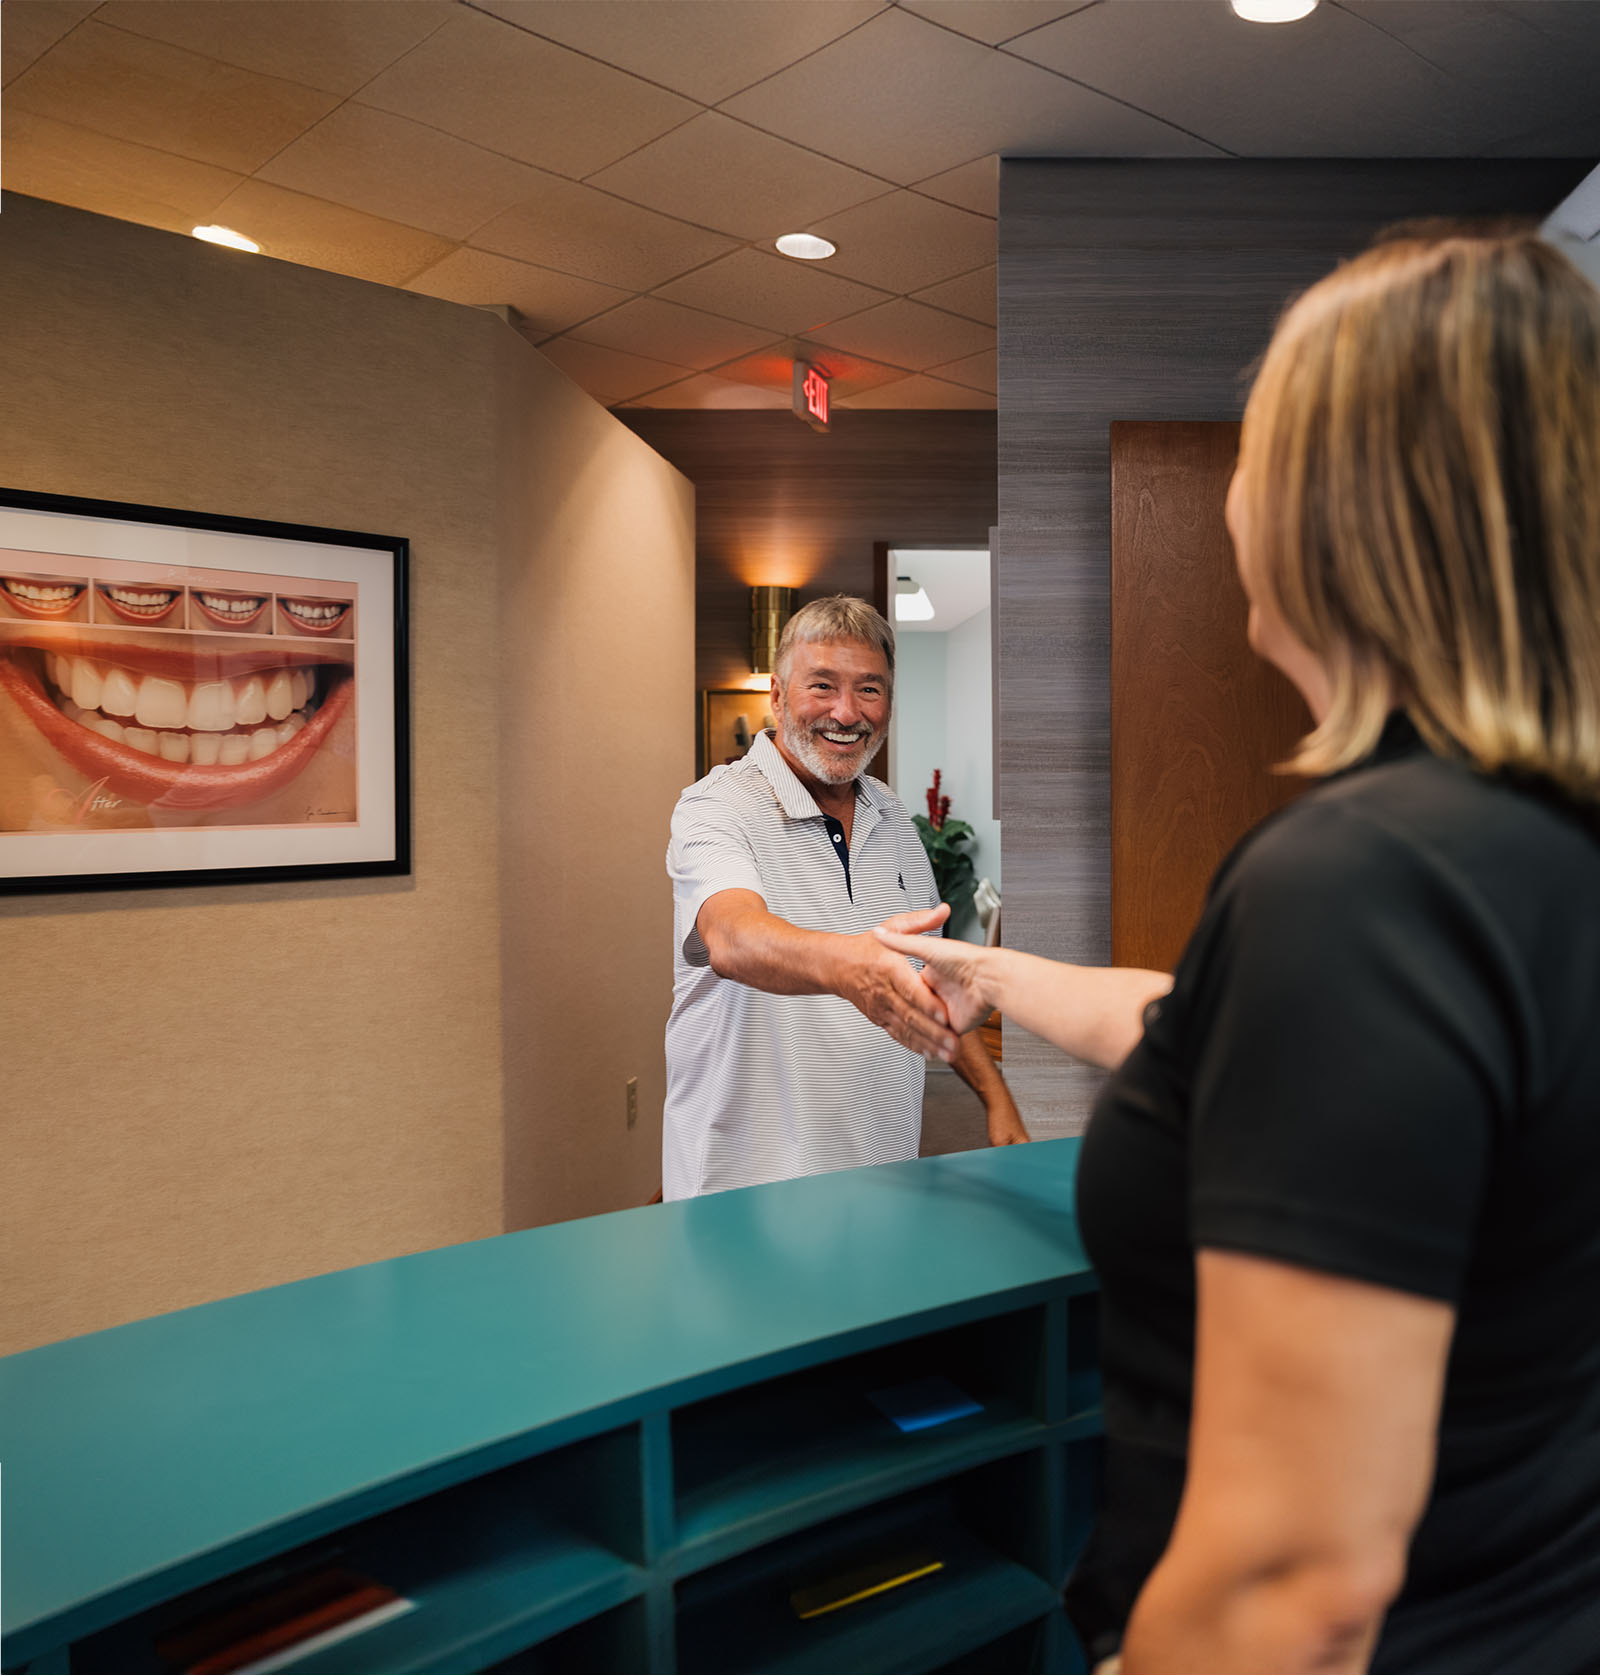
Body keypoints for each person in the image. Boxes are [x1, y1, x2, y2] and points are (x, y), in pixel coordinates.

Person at [878, 226, 1600, 1673]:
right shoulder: (1529, 849)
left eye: (1260, 449)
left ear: (1349, 505)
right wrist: (991, 974)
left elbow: (1298, 1576)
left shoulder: (1367, 884)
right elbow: (1215, 1043)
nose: (1233, 495)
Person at [664, 594, 1027, 1201]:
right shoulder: (713, 806)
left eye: (869, 689)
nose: (847, 712)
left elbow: (934, 984)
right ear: (777, 696)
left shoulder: (893, 818)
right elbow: (731, 937)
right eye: (822, 685)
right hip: (740, 1188)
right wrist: (849, 967)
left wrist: (997, 1099)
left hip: (881, 1176)